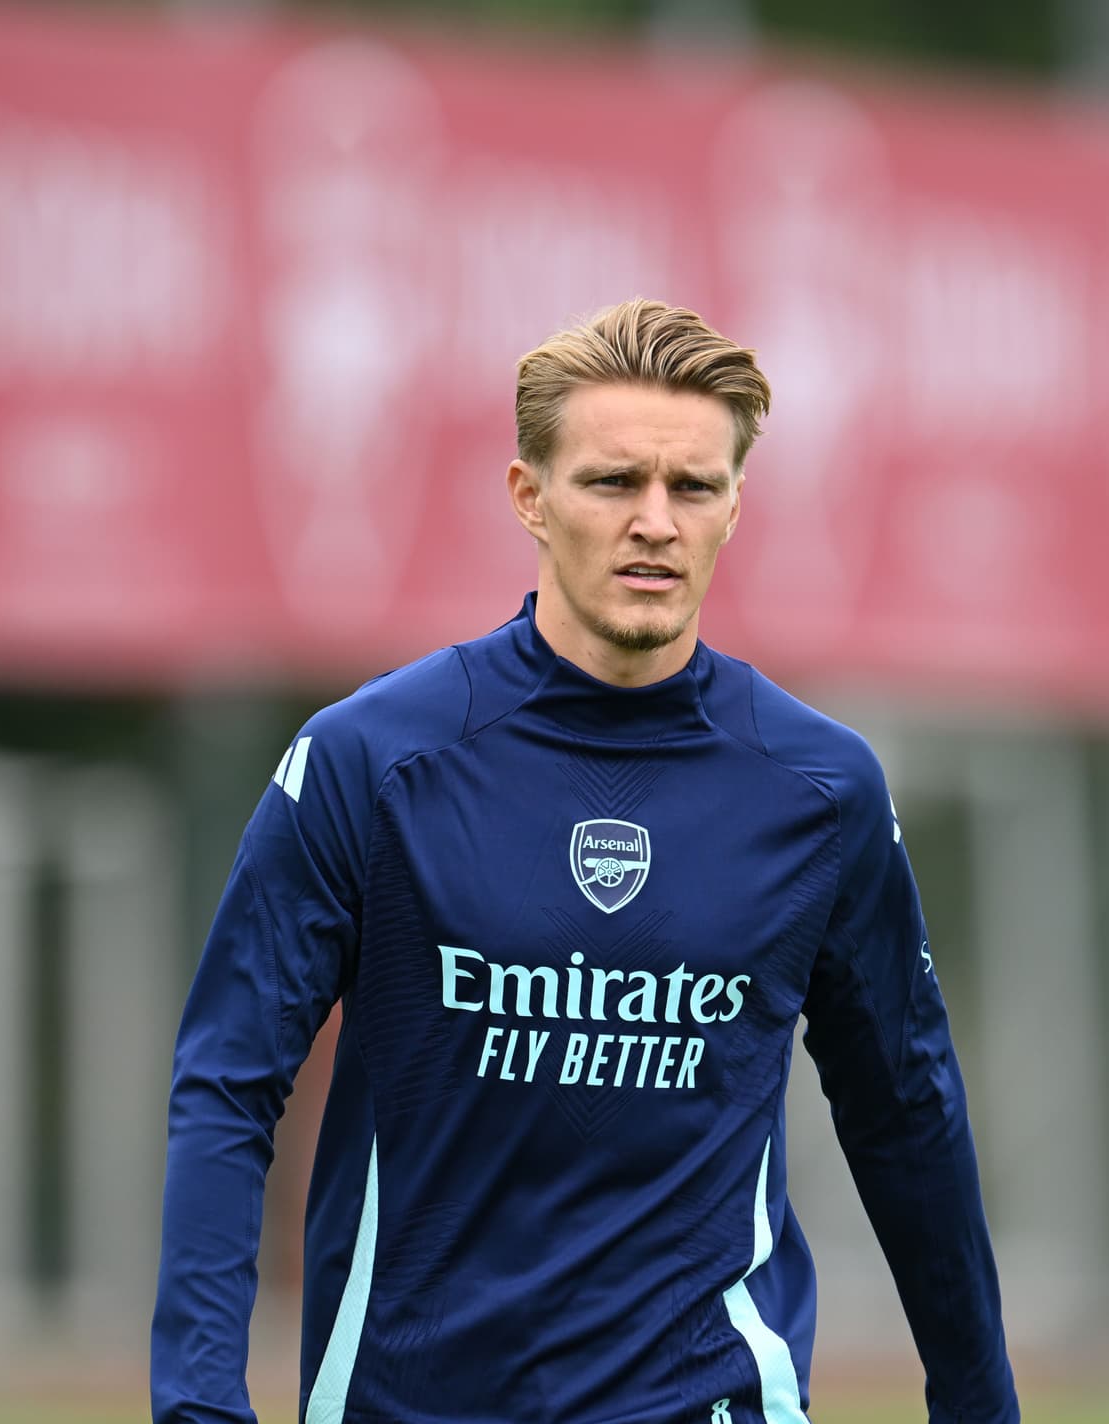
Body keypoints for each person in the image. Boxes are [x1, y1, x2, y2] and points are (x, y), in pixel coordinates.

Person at [151, 299, 1018, 1424]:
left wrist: (979, 1402)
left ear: (734, 507)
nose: (654, 520)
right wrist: (199, 1406)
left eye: (692, 487)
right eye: (614, 482)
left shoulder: (819, 790)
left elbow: (907, 1108)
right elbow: (225, 1086)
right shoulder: (374, 762)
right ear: (531, 498)